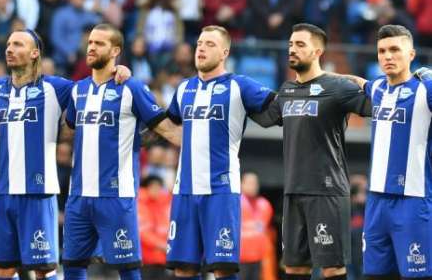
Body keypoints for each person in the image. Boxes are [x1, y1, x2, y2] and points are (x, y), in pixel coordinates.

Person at [0, 28, 131, 280]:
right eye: (9, 44)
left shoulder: (56, 88)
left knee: (44, 269)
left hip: (39, 192)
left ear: (35, 53)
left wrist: (119, 71)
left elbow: (92, 88)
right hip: (2, 193)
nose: (10, 49)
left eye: (18, 45)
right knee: (3, 268)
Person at [250, 23, 372, 280]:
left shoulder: (337, 86)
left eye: (300, 45)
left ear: (318, 51)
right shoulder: (286, 90)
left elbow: (377, 106)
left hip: (327, 190)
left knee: (332, 268)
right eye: (291, 44)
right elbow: (263, 118)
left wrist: (368, 84)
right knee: (294, 267)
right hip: (293, 191)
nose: (292, 50)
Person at [62, 23, 181, 280]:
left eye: (99, 43)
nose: (91, 47)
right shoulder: (78, 90)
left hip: (116, 196)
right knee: (72, 265)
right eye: (90, 42)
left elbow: (167, 130)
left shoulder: (131, 88)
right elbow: (68, 131)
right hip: (78, 196)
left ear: (115, 50)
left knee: (128, 269)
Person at [165, 25, 276, 280]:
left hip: (221, 190)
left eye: (210, 44)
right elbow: (167, 125)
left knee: (222, 268)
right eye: (199, 43)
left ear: (225, 52)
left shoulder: (239, 86)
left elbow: (276, 106)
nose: (201, 48)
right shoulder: (183, 89)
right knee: (183, 268)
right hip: (185, 190)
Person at [359, 25, 432, 279]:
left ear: (411, 54)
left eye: (394, 49)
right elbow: (360, 84)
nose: (387, 56)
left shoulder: (426, 88)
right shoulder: (377, 88)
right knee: (375, 275)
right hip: (376, 202)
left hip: (413, 200)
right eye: (381, 51)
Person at [239, 172, 273, 280]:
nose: (252, 186)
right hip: (239, 260)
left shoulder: (265, 205)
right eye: (249, 183)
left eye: (255, 183)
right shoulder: (234, 204)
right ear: (241, 184)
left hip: (258, 259)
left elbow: (266, 232)